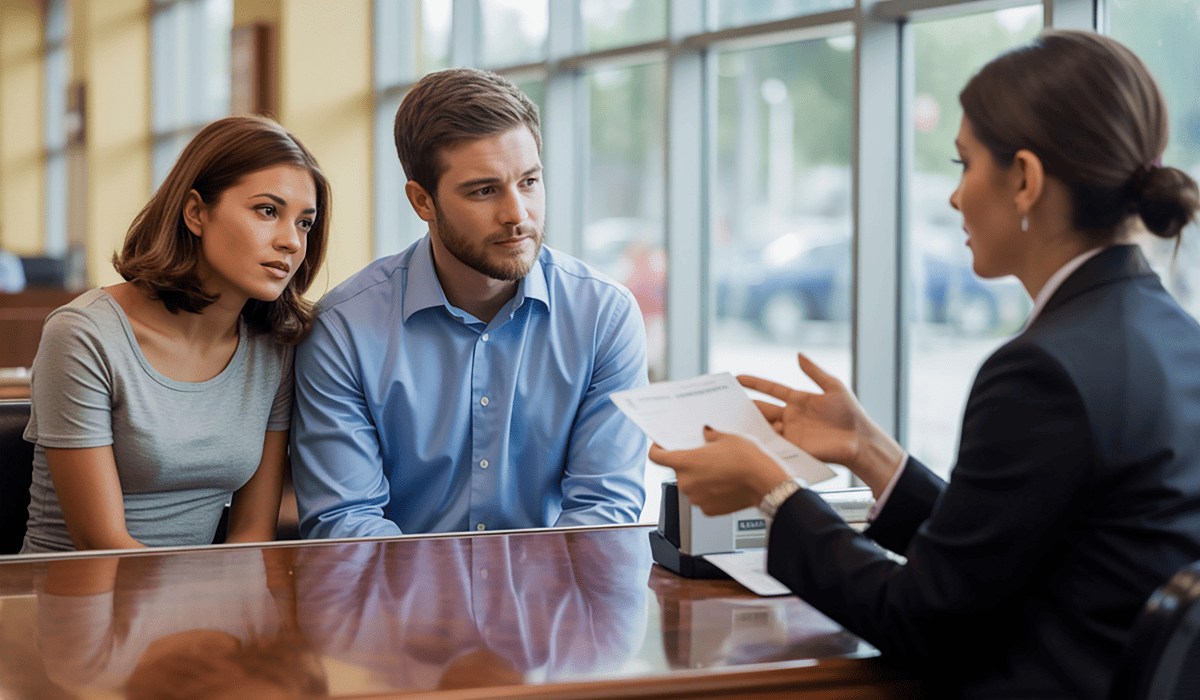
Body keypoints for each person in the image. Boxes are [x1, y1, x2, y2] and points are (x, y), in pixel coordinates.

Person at [649, 30, 1200, 700]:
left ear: (1023, 179)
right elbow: (1004, 550)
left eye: (963, 164)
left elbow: (920, 618)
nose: (953, 196)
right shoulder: (1171, 336)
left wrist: (772, 491)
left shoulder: (1041, 372)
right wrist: (870, 451)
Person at [291, 67, 648, 538]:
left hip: (550, 602)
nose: (517, 216)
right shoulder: (344, 329)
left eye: (529, 182)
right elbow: (346, 522)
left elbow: (603, 511)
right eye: (484, 191)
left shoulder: (604, 315)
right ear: (422, 202)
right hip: (401, 606)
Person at [21, 116, 331, 553]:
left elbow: (250, 537)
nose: (291, 242)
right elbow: (103, 544)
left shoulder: (274, 348)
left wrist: (218, 614)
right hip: (73, 602)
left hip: (199, 600)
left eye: (305, 223)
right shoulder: (83, 334)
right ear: (196, 213)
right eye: (267, 211)